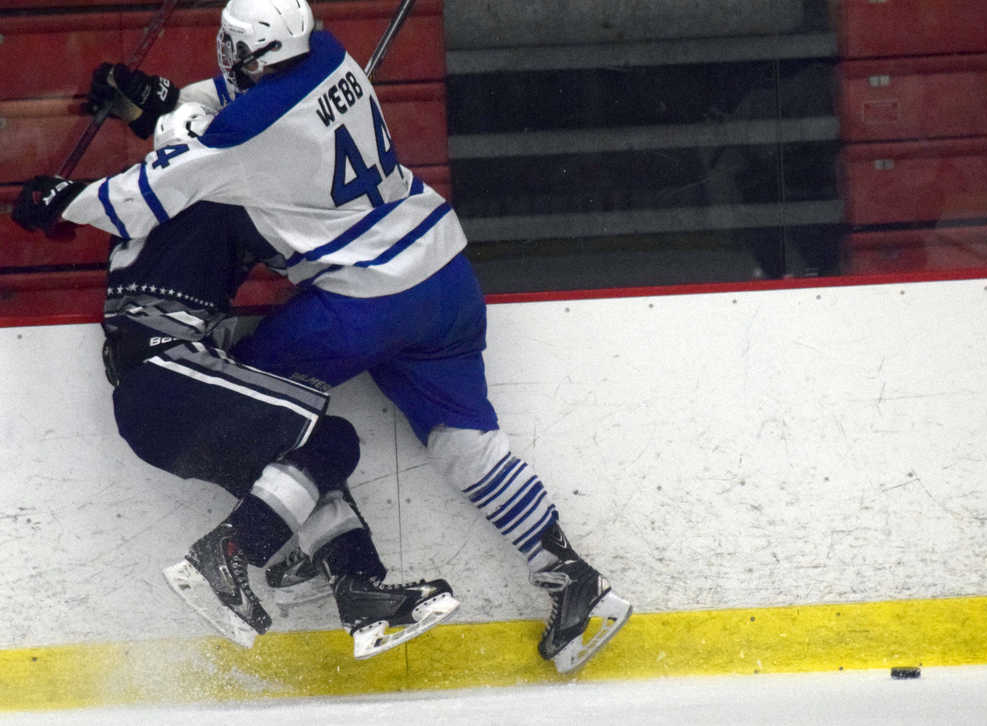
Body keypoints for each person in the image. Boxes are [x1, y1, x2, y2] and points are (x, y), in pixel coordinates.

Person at [12, 0, 630, 673]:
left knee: (253, 408)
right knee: (465, 442)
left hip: (368, 299)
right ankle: (573, 580)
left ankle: (306, 543)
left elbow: (142, 194)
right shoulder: (328, 53)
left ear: (253, 49)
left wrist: (58, 199)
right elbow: (233, 99)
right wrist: (164, 102)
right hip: (446, 278)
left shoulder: (241, 137)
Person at [11, 110, 458, 658]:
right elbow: (313, 239)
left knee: (301, 471)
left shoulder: (136, 207)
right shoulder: (216, 201)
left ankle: (357, 586)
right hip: (173, 376)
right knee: (327, 441)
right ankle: (227, 553)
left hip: (149, 403)